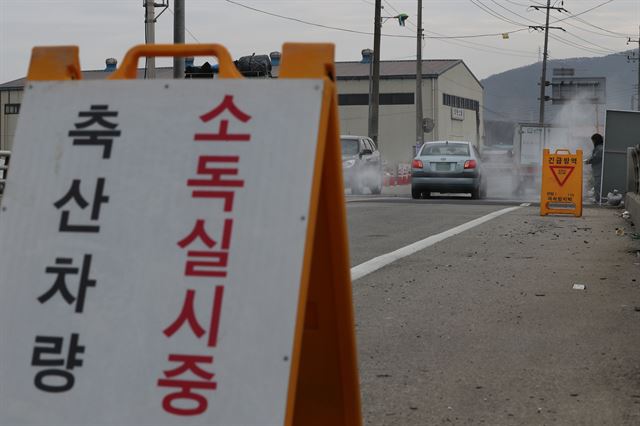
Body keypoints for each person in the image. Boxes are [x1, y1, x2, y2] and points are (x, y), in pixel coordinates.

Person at [586, 133, 604, 203]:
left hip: (599, 170)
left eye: (593, 141)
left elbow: (596, 158)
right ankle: (598, 199)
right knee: (597, 185)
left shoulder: (600, 148)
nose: (592, 142)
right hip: (598, 170)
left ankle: (598, 200)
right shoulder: (600, 147)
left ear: (596, 140)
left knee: (597, 185)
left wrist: (588, 161)